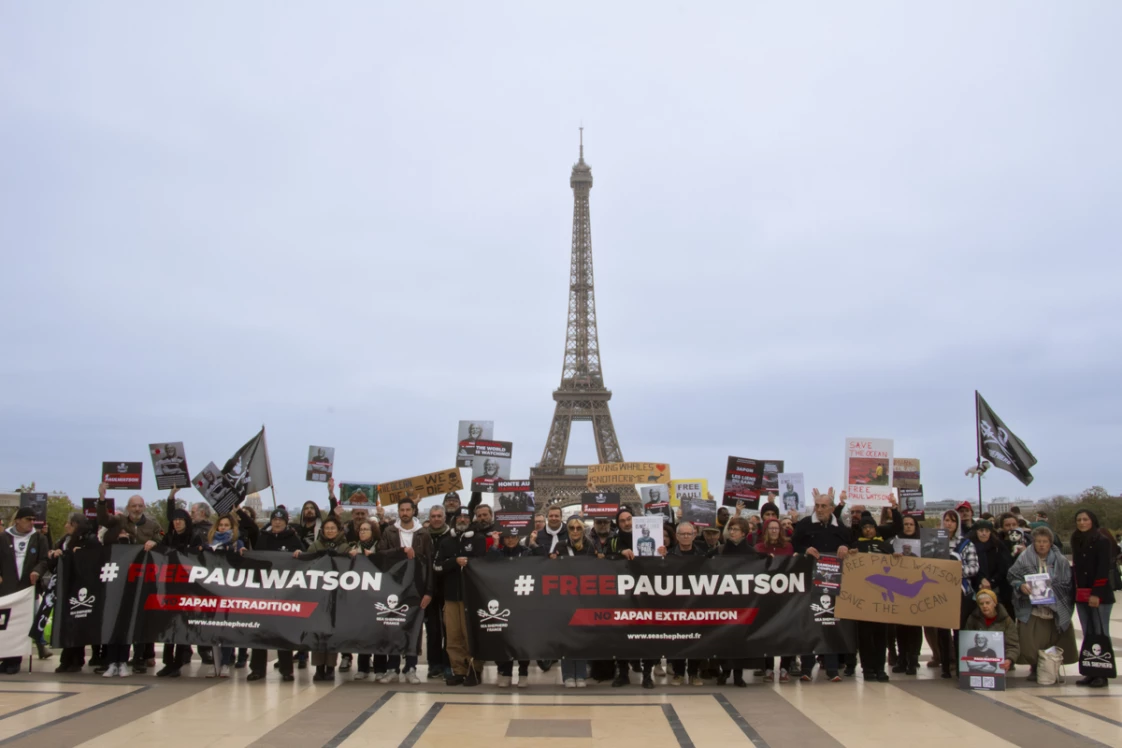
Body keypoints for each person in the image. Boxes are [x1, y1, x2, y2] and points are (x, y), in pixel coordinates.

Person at [792, 488, 851, 682]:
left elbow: (852, 543)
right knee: (809, 623)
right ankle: (806, 668)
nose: (819, 509)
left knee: (830, 623)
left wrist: (845, 547)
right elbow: (793, 544)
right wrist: (805, 550)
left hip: (832, 582)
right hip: (809, 582)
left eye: (824, 506)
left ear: (832, 508)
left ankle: (832, 669)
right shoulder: (805, 525)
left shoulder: (840, 527)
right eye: (817, 506)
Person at [1007, 525, 1077, 681]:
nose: (1041, 545)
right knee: (1031, 641)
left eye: (1045, 541)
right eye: (1038, 541)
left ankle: (1052, 667)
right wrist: (1021, 586)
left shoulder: (1060, 560)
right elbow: (1012, 576)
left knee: (1054, 639)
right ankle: (1035, 667)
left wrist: (1053, 587)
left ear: (1050, 543)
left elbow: (1067, 583)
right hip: (1032, 607)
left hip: (1055, 606)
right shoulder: (1024, 557)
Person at [376, 498, 434, 684]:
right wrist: (402, 550)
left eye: (408, 510)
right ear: (398, 511)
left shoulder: (423, 533)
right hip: (394, 586)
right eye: (402, 510)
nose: (405, 513)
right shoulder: (389, 531)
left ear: (414, 511)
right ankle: (392, 668)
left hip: (416, 587)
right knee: (393, 626)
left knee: (413, 628)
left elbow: (430, 564)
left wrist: (429, 591)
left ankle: (411, 667)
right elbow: (381, 555)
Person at [247, 507, 305, 683]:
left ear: (286, 522)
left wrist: (301, 554)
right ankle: (257, 669)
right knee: (261, 631)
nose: (277, 522)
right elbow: (255, 559)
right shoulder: (264, 537)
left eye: (280, 520)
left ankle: (286, 670)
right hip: (264, 591)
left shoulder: (293, 538)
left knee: (282, 632)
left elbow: (304, 559)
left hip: (284, 592)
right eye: (274, 519)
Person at [434, 510, 487, 686]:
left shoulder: (478, 539)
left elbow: (484, 564)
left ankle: (475, 670)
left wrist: (468, 562)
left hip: (470, 597)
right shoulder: (446, 541)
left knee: (470, 635)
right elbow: (437, 567)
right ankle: (458, 670)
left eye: (465, 517)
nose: (462, 519)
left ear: (470, 520)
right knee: (453, 637)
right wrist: (454, 562)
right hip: (450, 597)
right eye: (459, 517)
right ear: (454, 520)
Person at [155, 501, 204, 677]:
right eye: (174, 520)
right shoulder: (168, 537)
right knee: (168, 624)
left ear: (186, 521)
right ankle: (168, 663)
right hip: (169, 586)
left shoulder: (194, 537)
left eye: (180, 519)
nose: (177, 522)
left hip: (187, 587)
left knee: (182, 625)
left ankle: (179, 661)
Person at [0, 507, 50, 674]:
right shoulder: (3, 537)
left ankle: (14, 660)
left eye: (33, 519)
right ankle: (5, 657)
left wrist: (37, 571)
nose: (31, 522)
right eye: (28, 519)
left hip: (26, 589)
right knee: (5, 624)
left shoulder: (39, 538)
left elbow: (44, 559)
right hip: (6, 589)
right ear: (17, 520)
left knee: (21, 625)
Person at [1070, 509, 1116, 688]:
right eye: (1079, 519)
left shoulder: (1102, 541)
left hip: (1099, 594)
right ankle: (1090, 670)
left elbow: (1103, 568)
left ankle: (1102, 673)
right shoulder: (1076, 539)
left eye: (1085, 519)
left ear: (1092, 521)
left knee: (1100, 632)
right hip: (1082, 593)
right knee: (1088, 633)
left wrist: (1096, 593)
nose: (1082, 522)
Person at [850, 516, 894, 682]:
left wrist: (897, 558)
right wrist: (850, 555)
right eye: (865, 527)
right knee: (865, 635)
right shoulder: (856, 546)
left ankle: (880, 668)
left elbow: (896, 568)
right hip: (863, 596)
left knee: (881, 635)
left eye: (871, 526)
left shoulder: (886, 546)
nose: (868, 530)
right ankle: (867, 668)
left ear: (876, 528)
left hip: (882, 597)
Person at [489, 527, 534, 687]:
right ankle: (505, 672)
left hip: (523, 601)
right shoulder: (498, 552)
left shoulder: (527, 552)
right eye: (507, 537)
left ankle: (523, 672)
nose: (510, 540)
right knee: (504, 637)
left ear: (518, 537)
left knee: (523, 638)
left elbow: (540, 561)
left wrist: (533, 543)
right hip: (504, 600)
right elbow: (488, 563)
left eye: (513, 536)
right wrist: (494, 544)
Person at [893, 515, 924, 676]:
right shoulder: (895, 541)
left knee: (915, 628)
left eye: (911, 524)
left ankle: (913, 659)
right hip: (899, 590)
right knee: (900, 628)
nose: (908, 526)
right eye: (905, 524)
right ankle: (902, 659)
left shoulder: (922, 542)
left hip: (916, 591)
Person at [424, 505, 453, 680]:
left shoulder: (451, 536)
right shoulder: (423, 536)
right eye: (433, 516)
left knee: (449, 629)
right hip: (428, 590)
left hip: (448, 588)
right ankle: (434, 664)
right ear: (429, 518)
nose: (436, 519)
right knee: (433, 630)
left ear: (444, 518)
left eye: (439, 516)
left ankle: (448, 663)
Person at [971, 519, 1015, 619]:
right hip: (976, 586)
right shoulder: (970, 546)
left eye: (987, 531)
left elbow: (1004, 567)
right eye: (981, 530)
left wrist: (992, 581)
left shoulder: (998, 546)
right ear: (976, 532)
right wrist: (980, 579)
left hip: (997, 586)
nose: (984, 533)